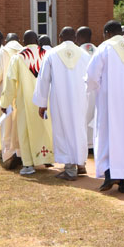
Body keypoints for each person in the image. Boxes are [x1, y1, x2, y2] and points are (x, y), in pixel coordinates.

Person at [86, 20, 124, 194]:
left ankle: (110, 174)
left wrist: (93, 88)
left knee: (108, 135)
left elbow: (91, 76)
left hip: (108, 101)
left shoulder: (104, 48)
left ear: (107, 33)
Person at [33, 26, 91, 181]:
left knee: (63, 130)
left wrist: (42, 102)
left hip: (60, 99)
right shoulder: (84, 55)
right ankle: (81, 163)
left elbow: (43, 80)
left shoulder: (51, 54)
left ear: (59, 37)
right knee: (79, 128)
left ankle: (70, 169)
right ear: (76, 38)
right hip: (80, 98)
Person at [0, 30, 53, 175]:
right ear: (37, 40)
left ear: (23, 42)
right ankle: (47, 157)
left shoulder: (18, 58)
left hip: (26, 101)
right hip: (46, 99)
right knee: (45, 128)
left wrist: (4, 103)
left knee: (25, 131)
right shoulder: (47, 55)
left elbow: (10, 83)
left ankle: (28, 164)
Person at [0, 32, 24, 169]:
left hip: (7, 92)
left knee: (7, 125)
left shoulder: (3, 51)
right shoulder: (24, 51)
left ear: (5, 40)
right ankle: (21, 153)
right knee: (20, 125)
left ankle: (9, 155)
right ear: (19, 40)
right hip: (22, 93)